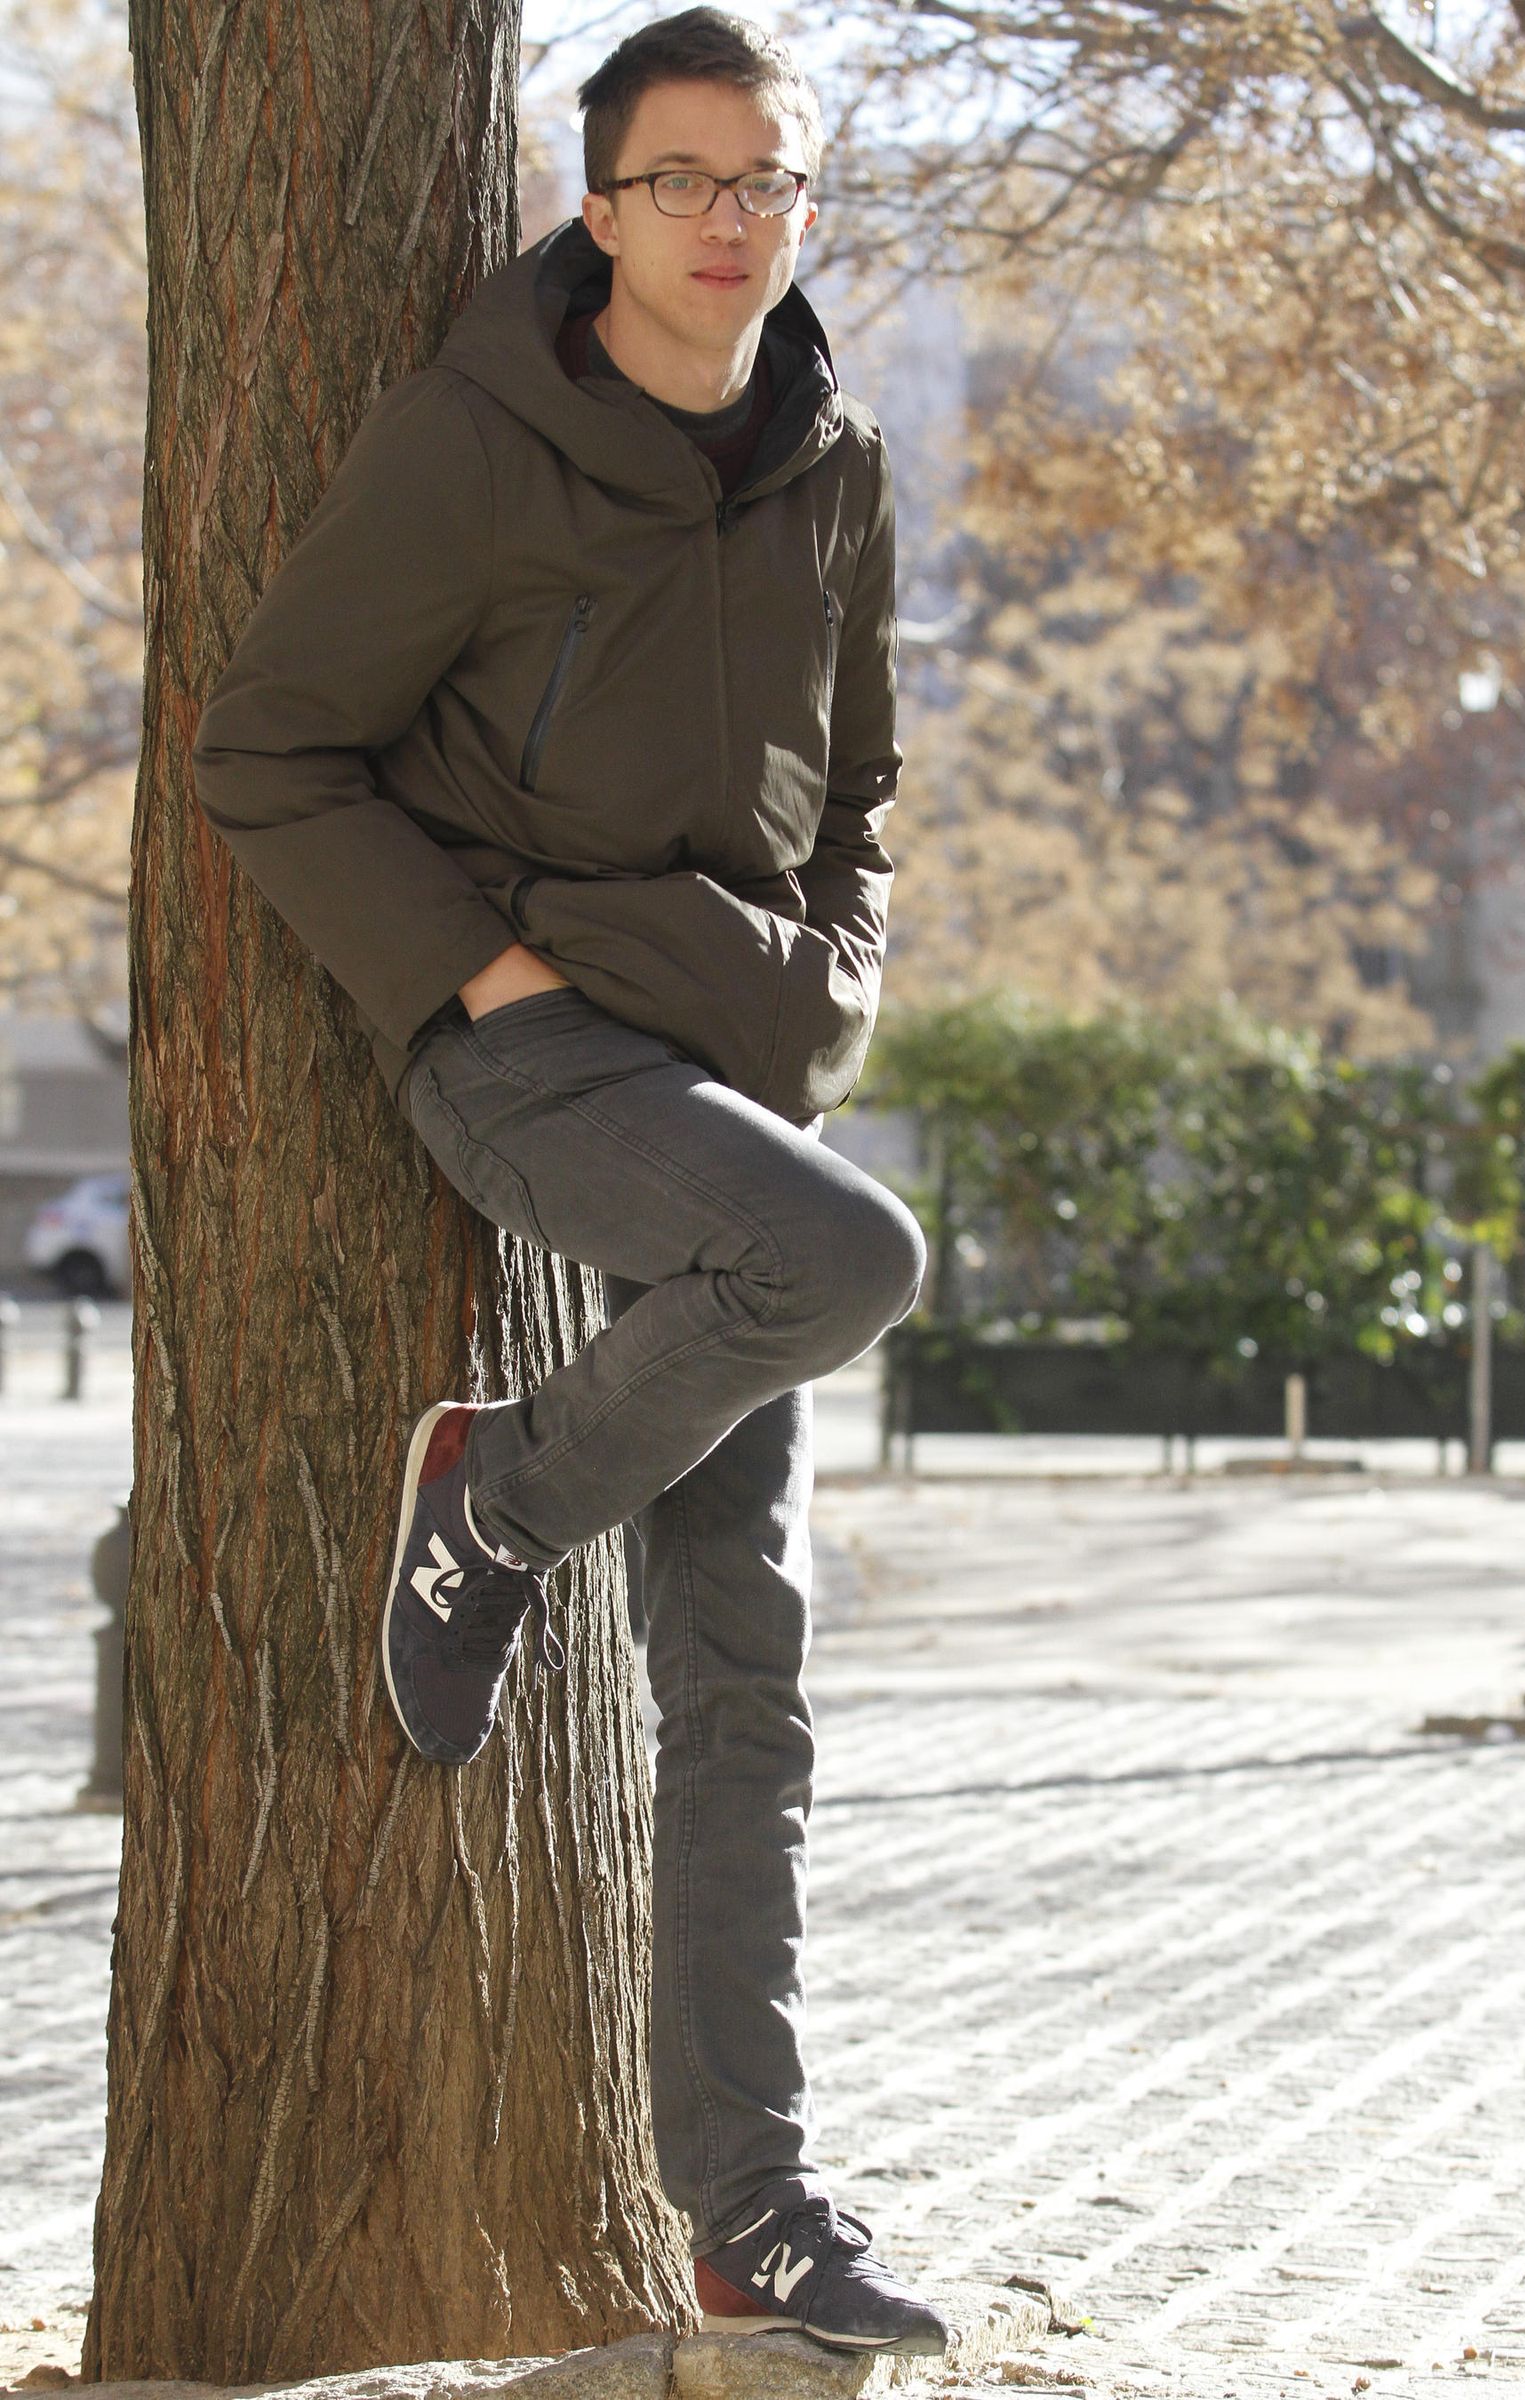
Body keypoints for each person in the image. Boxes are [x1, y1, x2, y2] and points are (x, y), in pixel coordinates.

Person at [191, 4, 947, 2364]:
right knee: (850, 1253)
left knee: (748, 1683)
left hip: (739, 1080)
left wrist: (829, 981)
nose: (733, 222)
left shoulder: (834, 463)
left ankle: (753, 2212)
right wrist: (485, 980)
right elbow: (270, 748)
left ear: (802, 212)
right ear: (595, 204)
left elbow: (863, 797)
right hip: (520, 1057)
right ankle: (502, 1503)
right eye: (684, 179)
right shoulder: (479, 443)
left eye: (770, 184)